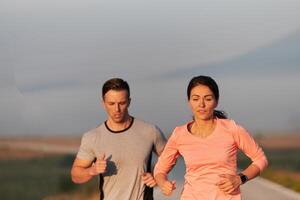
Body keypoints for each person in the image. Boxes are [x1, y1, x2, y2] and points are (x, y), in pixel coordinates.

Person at [154, 75, 268, 200]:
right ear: (189, 101)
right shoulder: (179, 134)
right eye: (195, 99)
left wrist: (240, 178)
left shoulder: (231, 128)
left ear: (216, 101)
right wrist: (163, 183)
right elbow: (160, 170)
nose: (201, 104)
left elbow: (260, 159)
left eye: (208, 99)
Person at [71, 78, 166, 200]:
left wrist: (157, 176)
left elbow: (169, 157)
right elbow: (75, 175)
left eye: (122, 103)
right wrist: (92, 170)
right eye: (111, 104)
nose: (117, 109)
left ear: (129, 102)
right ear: (103, 103)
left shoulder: (150, 131)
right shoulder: (92, 137)